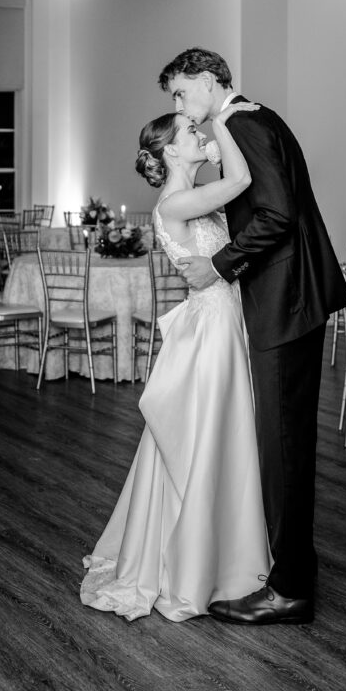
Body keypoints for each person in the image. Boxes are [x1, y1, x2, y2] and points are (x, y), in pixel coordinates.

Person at [159, 47, 346, 626]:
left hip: (285, 302)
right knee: (281, 444)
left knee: (284, 447)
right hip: (288, 298)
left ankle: (289, 588)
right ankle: (294, 565)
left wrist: (217, 266)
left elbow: (275, 215)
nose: (179, 107)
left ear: (209, 79)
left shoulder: (241, 122)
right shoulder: (249, 119)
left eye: (180, 92)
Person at [80, 102, 271, 622]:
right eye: (191, 130)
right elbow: (242, 178)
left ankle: (216, 549)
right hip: (210, 329)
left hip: (222, 320)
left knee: (218, 436)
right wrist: (225, 120)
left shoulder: (188, 199)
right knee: (208, 438)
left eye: (197, 125)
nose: (199, 131)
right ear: (169, 149)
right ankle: (199, 563)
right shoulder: (174, 203)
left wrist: (209, 138)